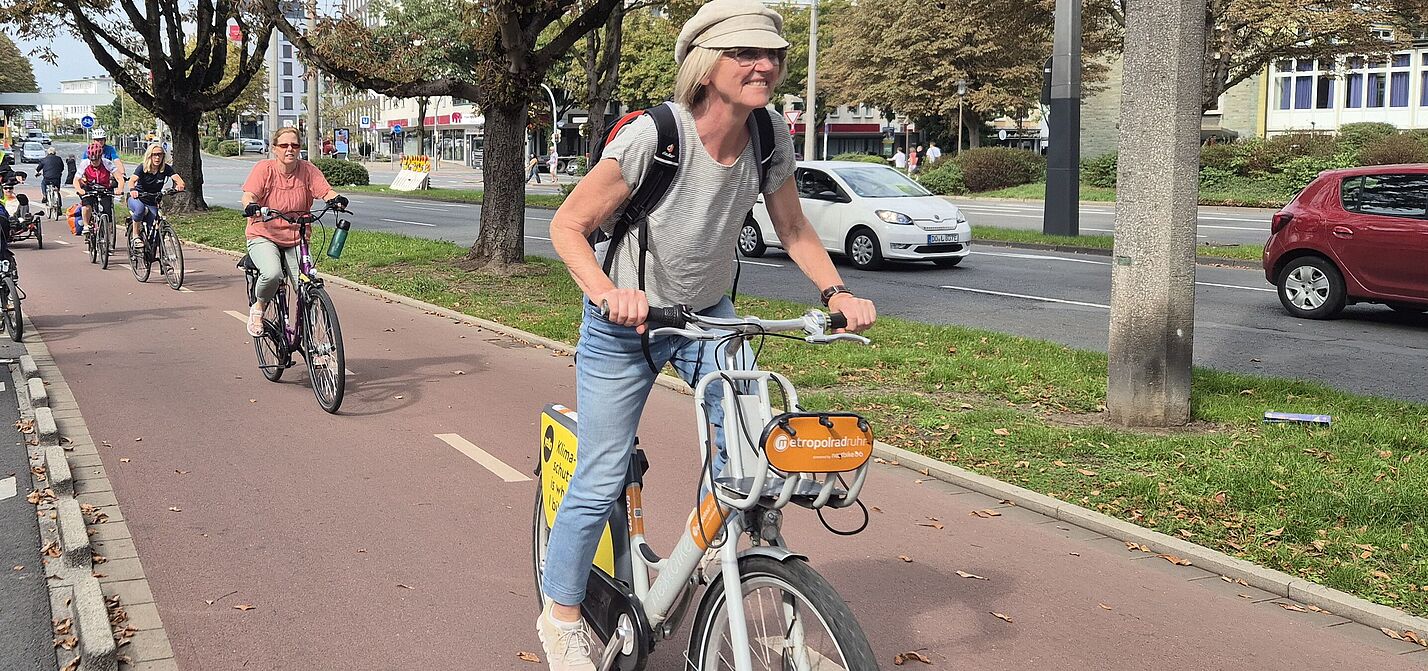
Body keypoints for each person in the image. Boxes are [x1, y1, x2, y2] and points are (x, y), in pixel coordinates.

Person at [540, 2, 875, 669]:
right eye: (747, 53)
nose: (766, 65)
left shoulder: (770, 135)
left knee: (755, 461)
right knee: (602, 472)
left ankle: (715, 560)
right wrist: (608, 293)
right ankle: (560, 615)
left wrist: (836, 292)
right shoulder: (654, 137)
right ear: (707, 63)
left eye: (773, 54)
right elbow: (567, 226)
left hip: (708, 315)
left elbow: (796, 229)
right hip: (624, 324)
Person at [239, 127, 347, 337]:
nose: (290, 149)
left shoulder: (307, 170)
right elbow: (249, 195)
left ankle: (315, 344)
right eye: (284, 145)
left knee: (306, 287)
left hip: (297, 236)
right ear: (274, 148)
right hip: (264, 234)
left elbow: (325, 191)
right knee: (272, 274)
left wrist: (336, 199)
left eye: (295, 145)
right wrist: (250, 206)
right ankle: (258, 307)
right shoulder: (264, 169)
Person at [125, 144, 186, 249]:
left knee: (153, 224)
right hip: (138, 198)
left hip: (152, 201)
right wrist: (133, 190)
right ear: (149, 156)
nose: (157, 157)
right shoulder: (143, 167)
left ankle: (152, 251)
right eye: (154, 155)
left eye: (160, 155)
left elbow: (178, 180)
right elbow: (132, 181)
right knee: (140, 209)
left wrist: (180, 185)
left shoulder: (165, 168)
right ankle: (135, 236)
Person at [73, 144, 118, 242]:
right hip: (89, 187)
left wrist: (120, 188)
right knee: (87, 205)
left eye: (97, 160)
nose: (94, 162)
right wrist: (80, 190)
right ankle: (86, 225)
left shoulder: (107, 163)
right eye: (92, 160)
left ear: (101, 157)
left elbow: (118, 177)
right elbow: (76, 179)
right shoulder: (85, 163)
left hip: (104, 188)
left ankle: (108, 237)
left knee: (108, 210)